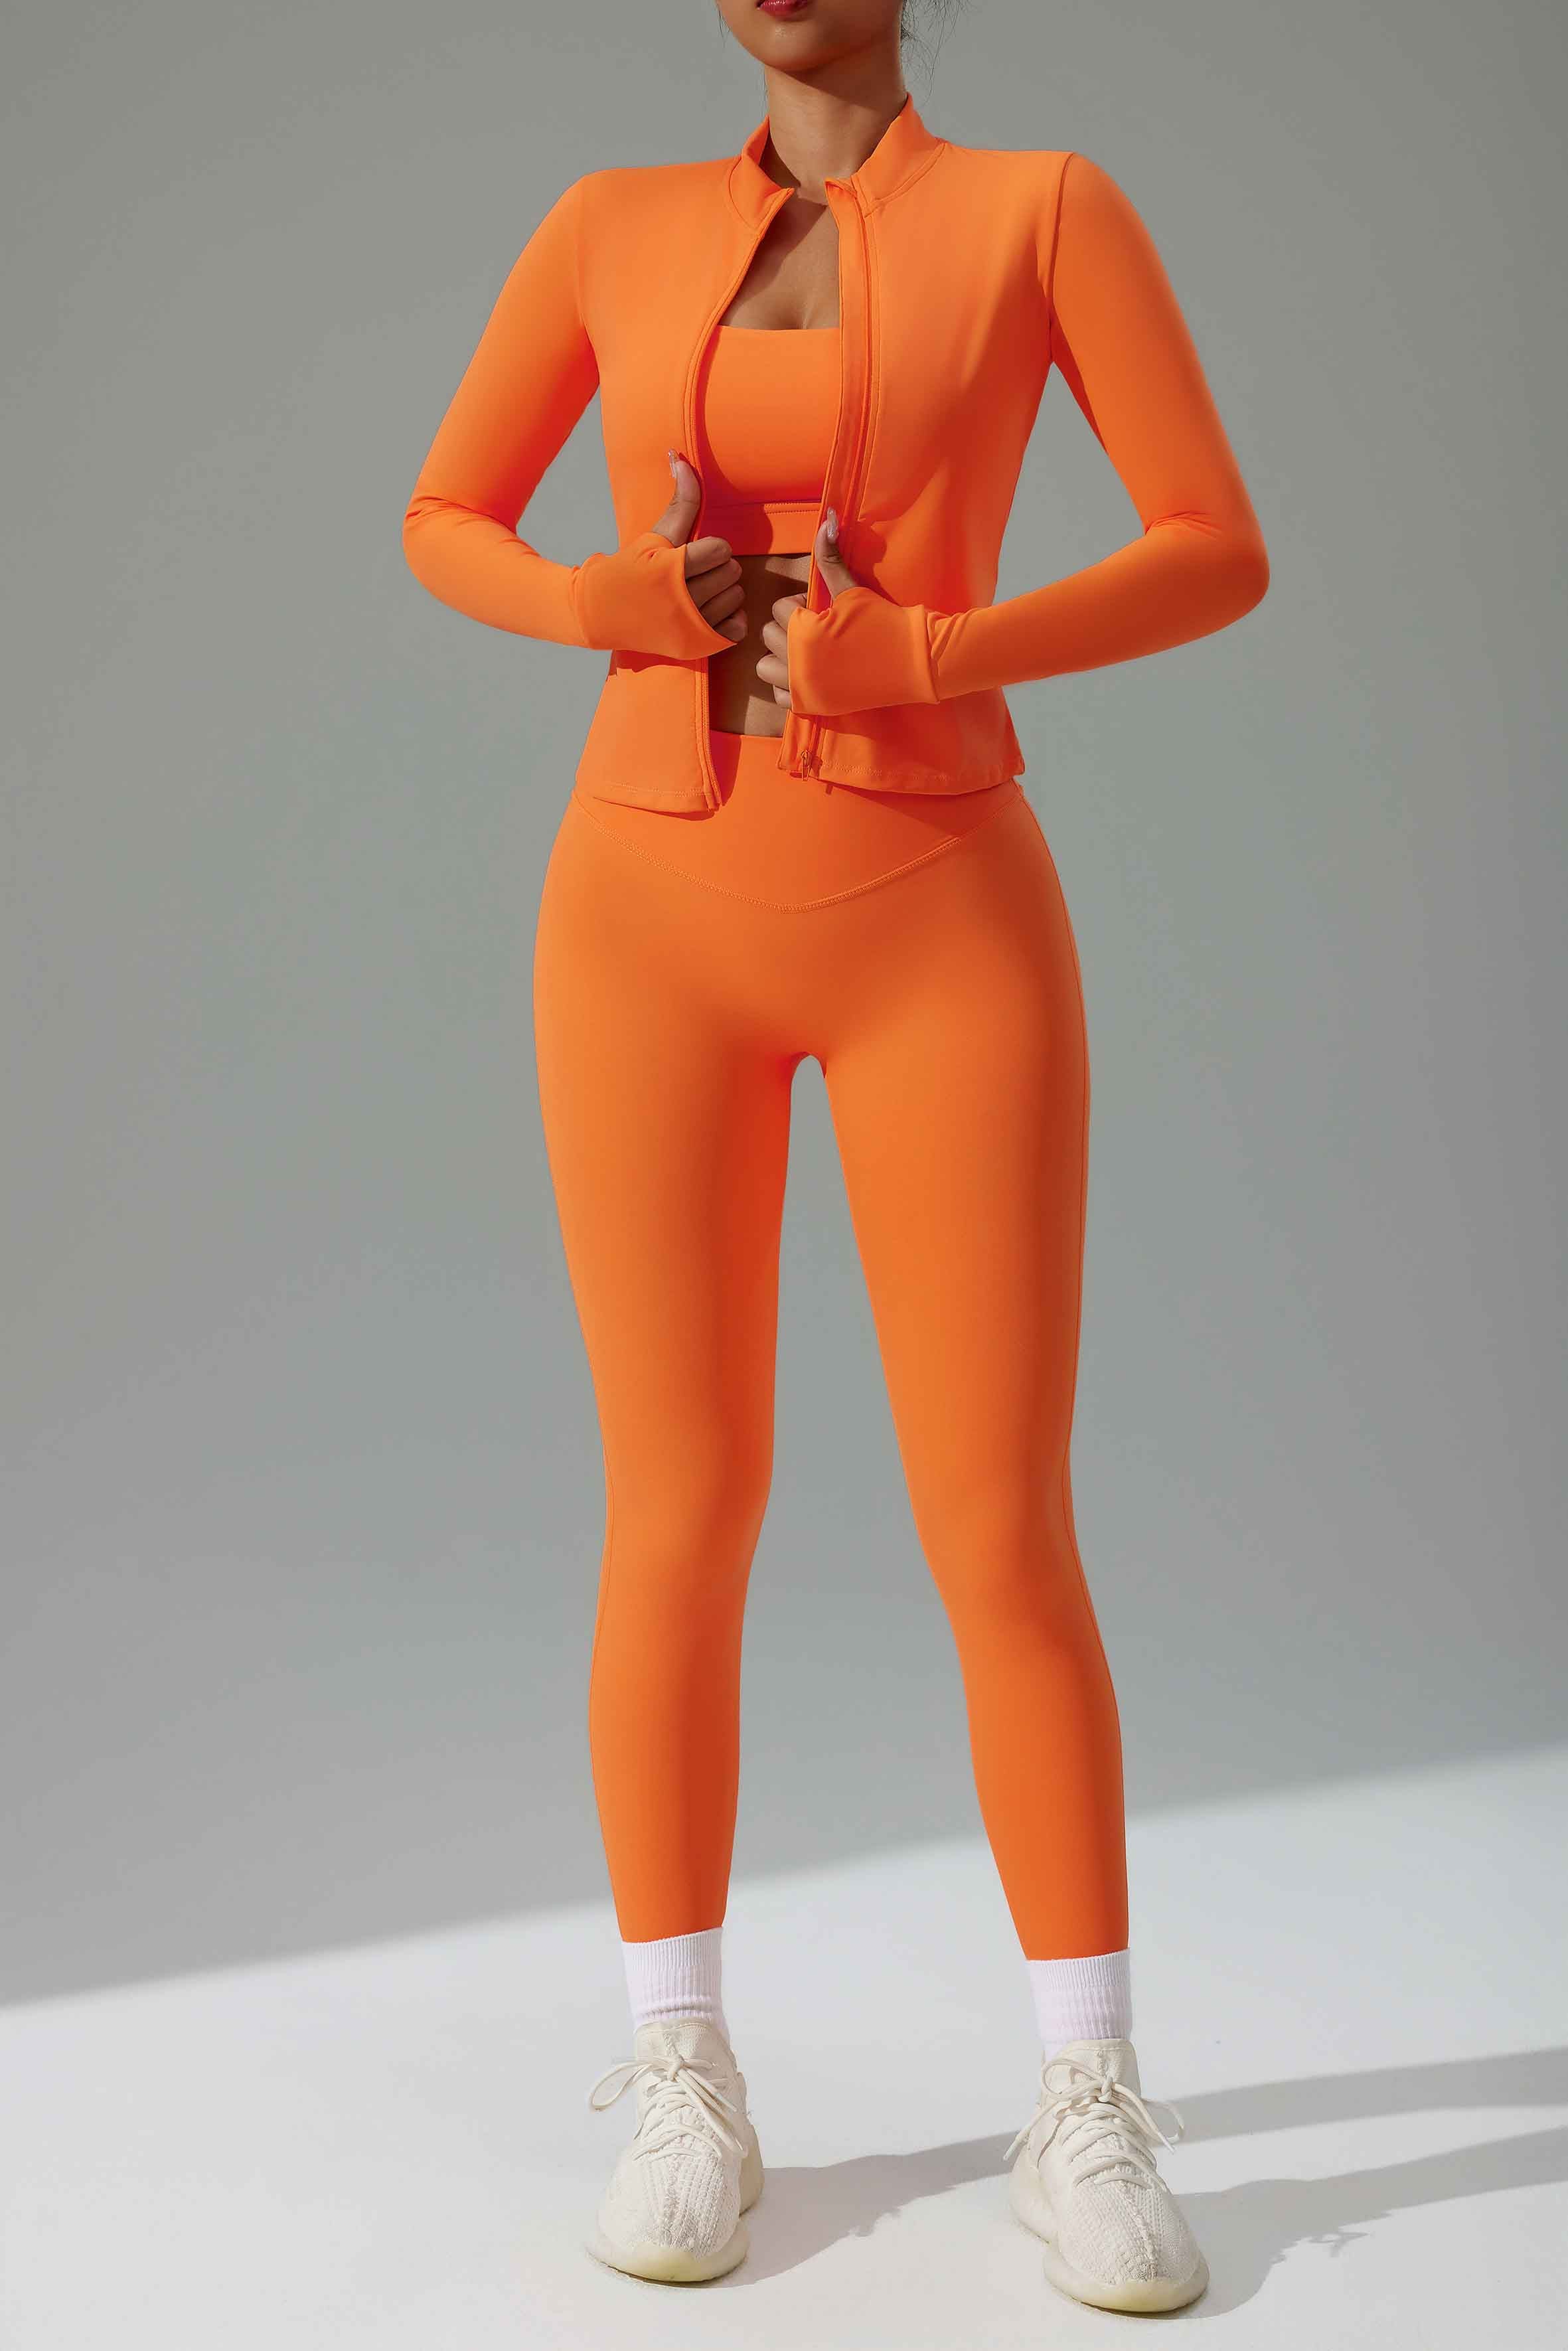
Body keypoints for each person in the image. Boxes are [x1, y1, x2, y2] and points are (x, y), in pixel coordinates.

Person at [402, 0, 1268, 2313]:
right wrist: (600, 605)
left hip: (938, 915)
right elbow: (443, 515)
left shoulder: (1042, 212)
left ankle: (1085, 2097)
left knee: (997, 1526)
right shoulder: (607, 227)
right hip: (640, 917)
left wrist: (934, 650)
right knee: (676, 1504)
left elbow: (1213, 548)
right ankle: (680, 2070)